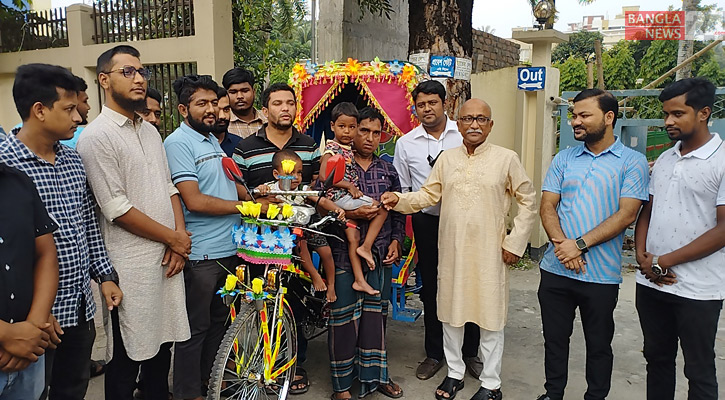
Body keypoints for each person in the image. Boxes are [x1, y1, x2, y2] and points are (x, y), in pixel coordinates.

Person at [382, 98, 537, 400]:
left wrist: (515, 242)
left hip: (491, 252)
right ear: (459, 123)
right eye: (468, 119)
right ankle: (455, 373)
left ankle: (491, 383)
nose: (474, 124)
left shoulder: (506, 158)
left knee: (490, 316)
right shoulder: (447, 159)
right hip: (451, 249)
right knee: (450, 312)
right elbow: (428, 195)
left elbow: (529, 200)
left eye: (481, 119)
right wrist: (397, 200)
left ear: (490, 125)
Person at [0, 63, 123, 400]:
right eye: (69, 109)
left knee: (72, 389)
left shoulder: (72, 161)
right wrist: (35, 317)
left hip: (79, 306)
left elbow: (87, 224)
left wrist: (105, 275)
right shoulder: (6, 165)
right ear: (39, 110)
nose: (78, 118)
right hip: (32, 321)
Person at [76, 45, 191, 400]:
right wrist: (173, 239)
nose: (139, 78)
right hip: (130, 267)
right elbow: (117, 208)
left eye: (142, 72)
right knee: (127, 358)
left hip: (167, 260)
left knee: (162, 351)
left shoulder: (149, 130)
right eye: (128, 72)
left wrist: (180, 236)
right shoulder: (98, 137)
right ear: (104, 80)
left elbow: (168, 187)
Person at [537, 88, 649, 400]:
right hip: (555, 270)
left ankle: (595, 396)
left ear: (609, 117)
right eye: (574, 115)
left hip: (600, 275)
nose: (576, 121)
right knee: (555, 340)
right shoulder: (564, 158)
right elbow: (547, 206)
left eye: (584, 115)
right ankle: (552, 393)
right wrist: (563, 246)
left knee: (599, 344)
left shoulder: (632, 162)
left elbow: (626, 215)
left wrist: (580, 245)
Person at [634, 77, 725, 400]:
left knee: (699, 371)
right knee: (657, 361)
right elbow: (648, 208)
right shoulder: (667, 158)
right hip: (651, 284)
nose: (668, 121)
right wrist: (642, 255)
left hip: (698, 290)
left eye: (677, 114)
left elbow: (723, 230)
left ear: (703, 113)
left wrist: (663, 261)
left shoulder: (721, 160)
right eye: (666, 114)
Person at [231, 82, 320, 394]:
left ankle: (293, 365)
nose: (285, 108)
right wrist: (258, 194)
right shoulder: (245, 148)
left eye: (290, 103)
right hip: (259, 239)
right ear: (265, 110)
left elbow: (316, 187)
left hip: (297, 238)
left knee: (293, 302)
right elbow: (238, 189)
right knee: (259, 300)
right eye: (278, 103)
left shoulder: (309, 145)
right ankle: (260, 362)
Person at [392, 80, 481, 381]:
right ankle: (435, 353)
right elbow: (403, 189)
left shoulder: (465, 135)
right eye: (421, 104)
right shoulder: (405, 144)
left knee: (468, 284)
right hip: (427, 223)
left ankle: (470, 351)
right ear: (414, 108)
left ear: (446, 104)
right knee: (431, 286)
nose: (427, 109)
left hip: (467, 223)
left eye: (433, 102)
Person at [163, 74, 245, 400]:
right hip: (201, 255)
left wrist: (260, 197)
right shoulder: (178, 143)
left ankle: (211, 384)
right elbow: (193, 200)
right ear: (184, 108)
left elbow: (228, 183)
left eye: (214, 102)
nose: (211, 109)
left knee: (219, 324)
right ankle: (187, 393)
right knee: (193, 330)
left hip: (228, 248)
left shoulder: (211, 140)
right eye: (202, 104)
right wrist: (247, 204)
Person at [328, 107, 406, 400]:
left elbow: (397, 211)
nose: (370, 138)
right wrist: (351, 211)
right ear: (352, 129)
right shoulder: (338, 163)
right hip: (341, 255)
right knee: (343, 320)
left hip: (380, 253)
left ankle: (377, 376)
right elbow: (321, 198)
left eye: (376, 133)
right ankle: (342, 386)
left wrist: (397, 241)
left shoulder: (388, 169)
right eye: (364, 131)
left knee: (376, 319)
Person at [0, 161, 58, 400]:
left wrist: (33, 329)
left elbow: (45, 255)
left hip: (30, 352)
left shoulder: (18, 182)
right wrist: (6, 335)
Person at [255, 150, 345, 296]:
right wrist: (260, 190)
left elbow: (321, 200)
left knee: (326, 252)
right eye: (291, 172)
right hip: (281, 231)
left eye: (300, 172)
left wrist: (337, 209)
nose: (296, 177)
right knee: (300, 245)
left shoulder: (303, 189)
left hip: (306, 227)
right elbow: (255, 194)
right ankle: (314, 275)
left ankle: (332, 285)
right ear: (276, 175)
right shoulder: (270, 188)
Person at [322, 102, 387, 296]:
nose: (348, 132)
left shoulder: (349, 149)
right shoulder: (332, 148)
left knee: (353, 239)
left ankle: (360, 280)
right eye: (342, 127)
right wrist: (350, 186)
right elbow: (326, 177)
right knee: (381, 207)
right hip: (340, 197)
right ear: (332, 126)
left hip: (342, 199)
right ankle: (366, 248)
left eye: (352, 127)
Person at [222, 67, 266, 138]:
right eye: (233, 92)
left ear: (254, 92)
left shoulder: (268, 119)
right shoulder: (222, 123)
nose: (239, 96)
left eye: (245, 91)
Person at [211, 86, 240, 157]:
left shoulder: (239, 144)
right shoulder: (194, 145)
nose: (222, 116)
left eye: (226, 110)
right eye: (217, 110)